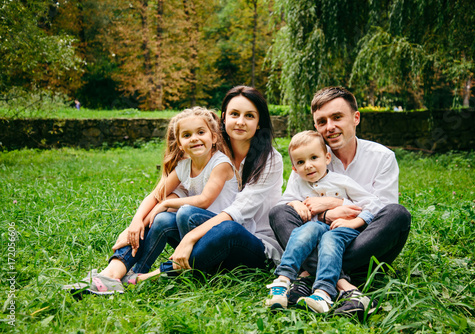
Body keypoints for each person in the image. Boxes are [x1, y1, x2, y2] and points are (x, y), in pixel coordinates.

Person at [64, 106, 238, 294]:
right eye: (187, 135)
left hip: (218, 233)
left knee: (184, 212)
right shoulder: (184, 166)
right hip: (193, 232)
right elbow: (156, 195)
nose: (194, 138)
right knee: (162, 220)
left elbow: (204, 201)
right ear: (180, 144)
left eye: (201, 132)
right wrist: (136, 222)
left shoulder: (220, 164)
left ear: (213, 137)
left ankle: (115, 276)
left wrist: (165, 204)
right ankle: (122, 275)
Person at [269, 86, 411, 316]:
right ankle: (346, 288)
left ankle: (307, 274)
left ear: (355, 118)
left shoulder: (382, 157)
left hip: (362, 243)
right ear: (316, 126)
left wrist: (333, 206)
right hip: (318, 239)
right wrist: (322, 216)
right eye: (322, 121)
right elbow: (291, 203)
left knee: (397, 214)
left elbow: (381, 208)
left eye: (337, 117)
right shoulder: (309, 157)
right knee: (278, 213)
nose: (330, 127)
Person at [133, 86, 284, 283]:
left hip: (254, 244)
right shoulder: (213, 151)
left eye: (249, 116)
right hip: (210, 233)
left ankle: (156, 275)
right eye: (234, 114)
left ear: (258, 122)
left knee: (226, 228)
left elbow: (238, 212)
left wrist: (189, 238)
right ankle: (130, 272)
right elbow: (176, 190)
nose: (240, 122)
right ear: (224, 117)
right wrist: (136, 222)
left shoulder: (270, 160)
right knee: (167, 218)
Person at [264, 131, 384, 313]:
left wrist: (355, 221)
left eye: (314, 158)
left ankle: (324, 292)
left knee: (330, 239)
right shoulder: (298, 183)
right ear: (294, 169)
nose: (308, 166)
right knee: (305, 231)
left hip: (342, 228)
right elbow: (283, 205)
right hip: (317, 227)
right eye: (301, 162)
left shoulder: (341, 181)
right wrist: (295, 202)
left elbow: (373, 203)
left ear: (327, 158)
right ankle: (283, 279)